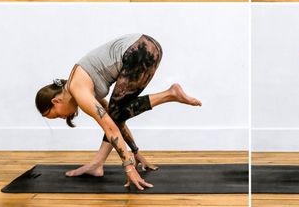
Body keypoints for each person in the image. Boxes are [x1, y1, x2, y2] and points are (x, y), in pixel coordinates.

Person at [35, 34, 202, 190]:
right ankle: (97, 164)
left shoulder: (78, 89)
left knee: (114, 116)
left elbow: (110, 128)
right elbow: (116, 120)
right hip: (149, 48)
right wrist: (136, 152)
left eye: (56, 114)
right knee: (116, 113)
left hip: (139, 51)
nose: (63, 117)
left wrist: (128, 168)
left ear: (55, 101)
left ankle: (169, 94)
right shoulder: (82, 85)